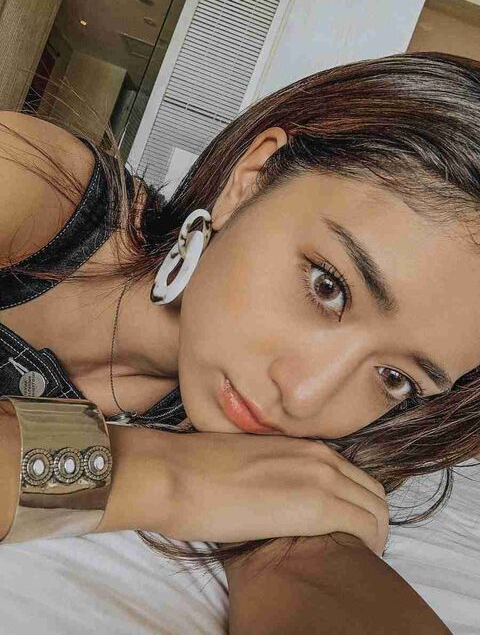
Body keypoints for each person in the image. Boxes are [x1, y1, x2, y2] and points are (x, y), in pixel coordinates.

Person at [1, 50, 478, 632]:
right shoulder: (31, 187)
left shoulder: (298, 449)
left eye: (394, 378)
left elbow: (321, 585)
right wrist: (162, 476)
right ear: (248, 182)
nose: (304, 395)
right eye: (327, 287)